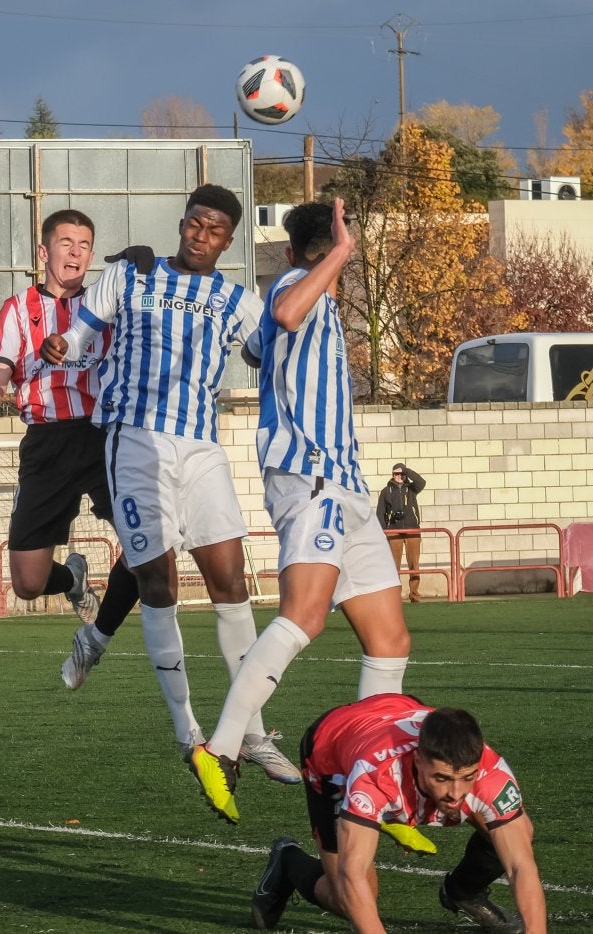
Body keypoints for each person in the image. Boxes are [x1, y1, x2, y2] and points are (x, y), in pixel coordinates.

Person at [42, 184, 297, 782]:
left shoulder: (236, 300)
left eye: (214, 231)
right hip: (135, 439)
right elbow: (77, 336)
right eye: (194, 225)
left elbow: (275, 344)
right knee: (157, 581)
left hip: (202, 447)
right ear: (182, 224)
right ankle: (190, 734)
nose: (201, 237)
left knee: (230, 581)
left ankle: (251, 734)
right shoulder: (133, 276)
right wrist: (60, 344)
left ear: (229, 241)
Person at [189, 199, 411, 823]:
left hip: (349, 488)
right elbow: (283, 311)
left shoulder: (323, 303)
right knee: (304, 617)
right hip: (310, 479)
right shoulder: (292, 286)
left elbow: (261, 344)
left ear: (292, 248)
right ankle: (220, 749)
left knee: (390, 639)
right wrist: (340, 253)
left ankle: (374, 786)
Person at [0, 211, 143, 669]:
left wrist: (147, 264)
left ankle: (98, 637)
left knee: (147, 550)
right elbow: (1, 365)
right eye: (66, 242)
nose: (76, 251)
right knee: (26, 582)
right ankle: (74, 579)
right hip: (46, 442)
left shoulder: (108, 304)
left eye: (85, 243)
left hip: (104, 437)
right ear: (44, 252)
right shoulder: (18, 308)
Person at [251, 695, 544, 934]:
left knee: (517, 832)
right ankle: (289, 861)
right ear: (417, 760)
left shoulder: (491, 774)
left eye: (467, 777)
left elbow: (521, 867)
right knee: (346, 897)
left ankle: (463, 891)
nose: (456, 792)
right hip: (331, 751)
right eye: (442, 779)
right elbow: (353, 873)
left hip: (398, 708)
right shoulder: (374, 777)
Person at [378, 463, 427, 602]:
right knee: (394, 565)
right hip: (394, 530)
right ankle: (395, 595)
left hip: (412, 529)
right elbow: (380, 513)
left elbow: (421, 482)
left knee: (414, 563)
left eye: (401, 474)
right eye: (396, 474)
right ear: (392, 475)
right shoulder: (386, 491)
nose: (399, 476)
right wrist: (383, 531)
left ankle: (414, 593)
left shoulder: (411, 489)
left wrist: (406, 471)